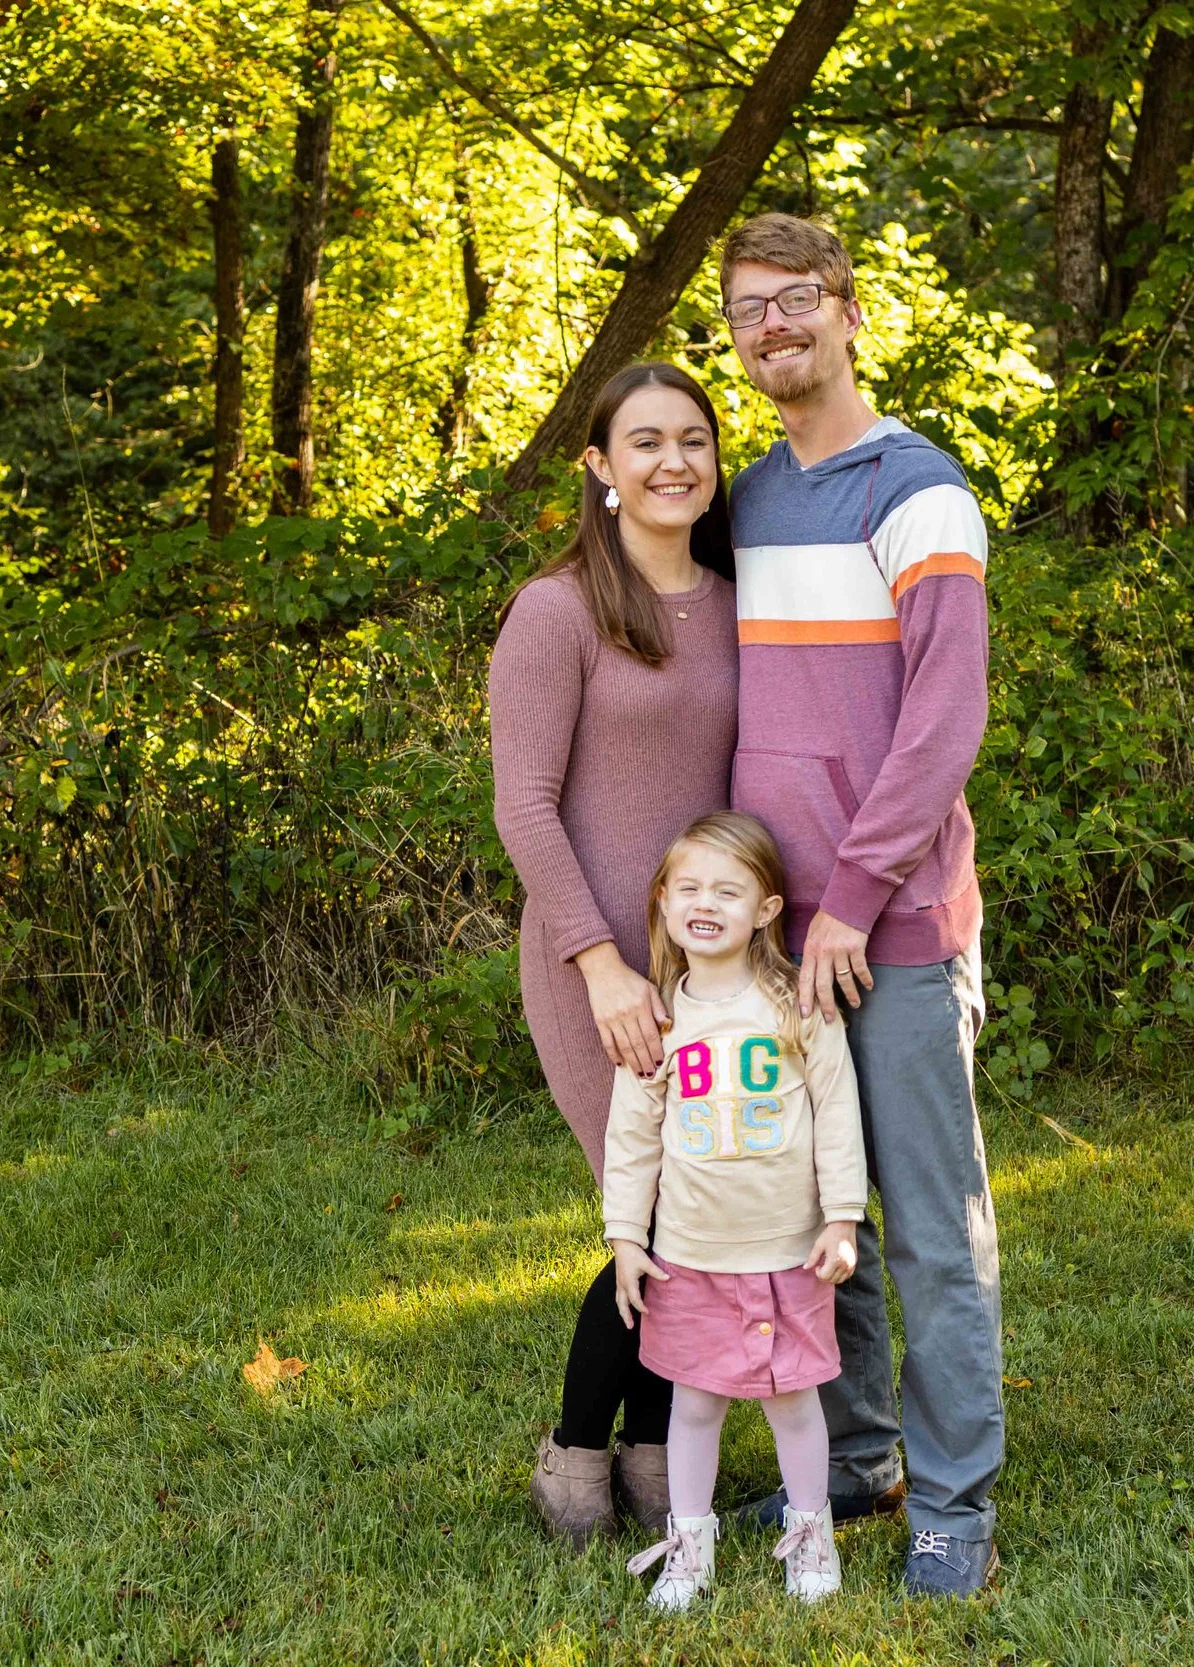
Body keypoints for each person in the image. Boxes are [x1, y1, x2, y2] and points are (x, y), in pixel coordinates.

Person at [714, 213, 1006, 1596]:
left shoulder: (919, 492)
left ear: (847, 309)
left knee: (933, 1230)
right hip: (778, 936)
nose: (771, 327)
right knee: (812, 1210)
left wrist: (852, 896)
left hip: (889, 930)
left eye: (794, 300)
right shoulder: (751, 502)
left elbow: (944, 721)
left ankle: (954, 1506)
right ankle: (863, 1454)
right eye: (746, 310)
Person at [488, 362, 739, 1546]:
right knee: (655, 1211)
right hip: (597, 962)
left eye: (693, 438)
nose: (672, 461)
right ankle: (576, 1452)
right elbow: (523, 805)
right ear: (599, 466)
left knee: (710, 1205)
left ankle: (654, 1452)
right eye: (644, 441)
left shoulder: (736, 601)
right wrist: (598, 961)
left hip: (713, 963)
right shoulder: (557, 611)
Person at [603, 812, 867, 1611]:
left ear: (765, 909)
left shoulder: (796, 1005)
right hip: (690, 1253)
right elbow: (632, 1136)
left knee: (793, 1402)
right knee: (694, 1403)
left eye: (727, 890)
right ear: (662, 902)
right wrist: (627, 1236)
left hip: (788, 1250)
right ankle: (690, 1545)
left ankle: (811, 1534)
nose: (705, 902)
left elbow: (837, 1110)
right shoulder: (658, 1018)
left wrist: (842, 1217)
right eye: (688, 888)